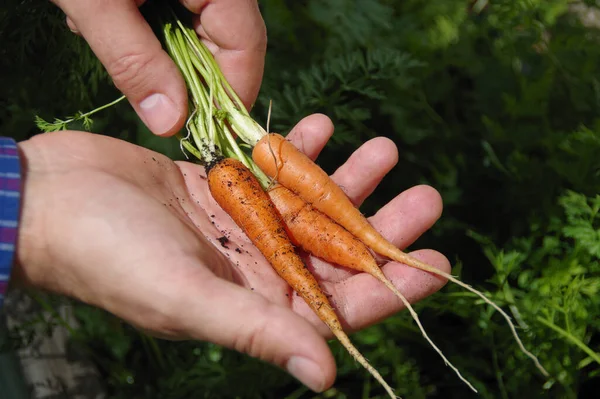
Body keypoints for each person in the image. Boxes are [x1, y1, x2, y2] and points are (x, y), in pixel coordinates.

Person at [0, 0, 451, 393]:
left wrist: (32, 199)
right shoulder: (237, 167)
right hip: (227, 169)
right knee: (305, 238)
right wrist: (35, 204)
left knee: (343, 229)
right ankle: (376, 256)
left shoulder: (261, 159)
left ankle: (376, 252)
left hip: (236, 165)